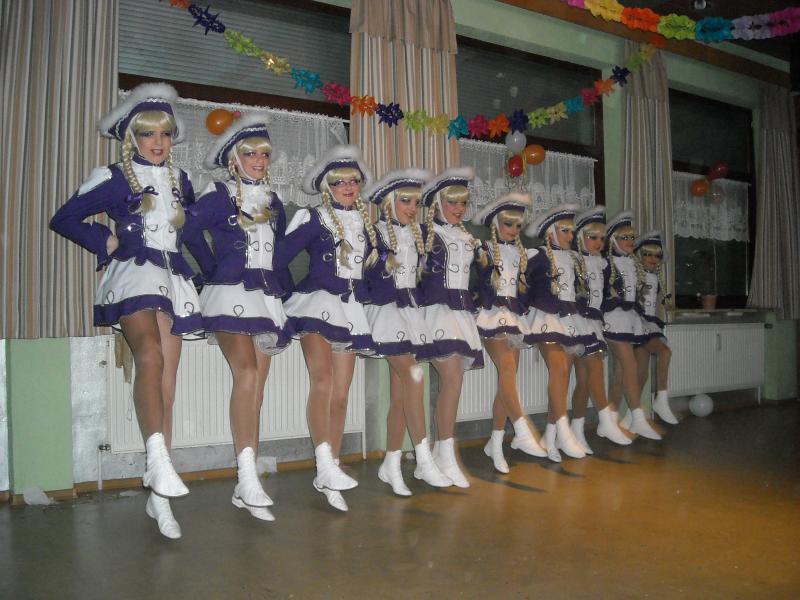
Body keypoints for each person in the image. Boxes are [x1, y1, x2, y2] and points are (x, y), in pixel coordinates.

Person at [50, 83, 206, 539]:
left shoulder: (183, 181)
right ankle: (156, 460)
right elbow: (64, 218)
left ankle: (159, 498)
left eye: (164, 133)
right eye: (148, 133)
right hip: (134, 273)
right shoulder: (114, 176)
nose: (157, 141)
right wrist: (106, 239)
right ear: (132, 137)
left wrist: (214, 276)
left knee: (167, 386)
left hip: (173, 278)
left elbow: (191, 236)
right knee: (150, 357)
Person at [182, 113, 293, 522]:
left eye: (264, 154)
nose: (259, 160)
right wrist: (212, 270)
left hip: (265, 299)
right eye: (250, 154)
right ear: (234, 159)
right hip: (228, 296)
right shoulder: (218, 194)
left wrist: (286, 295)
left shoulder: (274, 201)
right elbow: (187, 231)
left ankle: (245, 485)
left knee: (257, 388)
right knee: (246, 374)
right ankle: (246, 475)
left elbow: (278, 255)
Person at [278, 145, 376, 512]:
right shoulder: (312, 217)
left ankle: (332, 463)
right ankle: (323, 463)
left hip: (349, 311)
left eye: (353, 181)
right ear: (327, 187)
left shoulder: (366, 225)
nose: (348, 187)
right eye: (340, 182)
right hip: (317, 305)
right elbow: (279, 257)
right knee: (322, 381)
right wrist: (289, 297)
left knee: (341, 395)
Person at [362, 169, 452, 495]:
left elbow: (429, 276)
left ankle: (391, 462)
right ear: (389, 202)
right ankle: (424, 459)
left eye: (416, 202)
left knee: (402, 393)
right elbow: (363, 278)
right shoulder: (373, 233)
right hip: (385, 312)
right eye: (405, 201)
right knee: (414, 377)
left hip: (411, 314)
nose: (413, 208)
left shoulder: (421, 235)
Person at [471, 193, 547, 473]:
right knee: (506, 369)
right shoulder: (484, 250)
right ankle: (522, 428)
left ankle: (495, 443)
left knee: (508, 381)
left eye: (517, 226)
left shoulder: (522, 254)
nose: (514, 230)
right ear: (495, 224)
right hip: (491, 314)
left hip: (514, 317)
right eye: (508, 224)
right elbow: (476, 281)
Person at [418, 168, 484, 488]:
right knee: (453, 380)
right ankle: (445, 454)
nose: (459, 208)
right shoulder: (424, 234)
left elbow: (485, 277)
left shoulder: (468, 239)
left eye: (463, 203)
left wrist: (480, 296)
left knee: (453, 382)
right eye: (452, 202)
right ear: (437, 203)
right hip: (434, 313)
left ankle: (438, 453)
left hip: (460, 315)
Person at [522, 204, 594, 462]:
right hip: (544, 318)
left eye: (572, 232)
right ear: (550, 232)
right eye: (565, 231)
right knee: (559, 368)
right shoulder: (537, 255)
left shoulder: (574, 258)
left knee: (563, 378)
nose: (570, 236)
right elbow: (522, 285)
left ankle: (550, 437)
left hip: (569, 320)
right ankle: (563, 430)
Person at [569, 206, 632, 453]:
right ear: (580, 237)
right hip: (574, 322)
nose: (598, 243)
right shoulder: (573, 260)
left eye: (602, 238)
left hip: (593, 323)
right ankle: (606, 419)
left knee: (584, 381)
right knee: (594, 368)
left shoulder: (603, 264)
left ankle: (576, 430)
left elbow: (604, 295)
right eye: (592, 237)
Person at [602, 211, 662, 440]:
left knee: (620, 373)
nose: (630, 242)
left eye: (632, 238)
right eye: (624, 238)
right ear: (613, 240)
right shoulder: (606, 264)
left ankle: (609, 420)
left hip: (630, 321)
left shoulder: (633, 264)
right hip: (612, 320)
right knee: (629, 365)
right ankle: (638, 418)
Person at [633, 231, 678, 425]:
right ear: (639, 255)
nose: (653, 259)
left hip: (649, 323)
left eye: (657, 255)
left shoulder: (655, 278)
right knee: (664, 352)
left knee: (641, 375)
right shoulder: (634, 275)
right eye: (648, 254)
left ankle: (631, 417)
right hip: (636, 323)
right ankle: (661, 399)